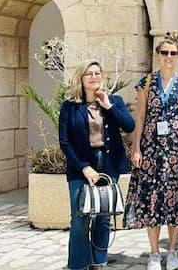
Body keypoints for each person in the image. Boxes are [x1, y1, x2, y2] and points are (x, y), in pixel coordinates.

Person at [125, 32, 178, 270]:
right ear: (158, 55)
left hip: (177, 152)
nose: (168, 56)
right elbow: (141, 116)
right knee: (152, 200)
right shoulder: (145, 83)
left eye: (173, 53)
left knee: (176, 199)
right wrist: (136, 147)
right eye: (164, 52)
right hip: (151, 151)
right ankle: (154, 252)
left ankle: (173, 249)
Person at [59, 59, 135, 270]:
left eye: (97, 73)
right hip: (80, 167)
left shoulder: (114, 101)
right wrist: (84, 167)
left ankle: (99, 262)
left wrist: (108, 106)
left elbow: (129, 126)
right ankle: (79, 265)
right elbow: (65, 142)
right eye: (89, 73)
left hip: (109, 164)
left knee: (103, 216)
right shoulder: (70, 106)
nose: (94, 77)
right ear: (81, 78)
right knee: (79, 219)